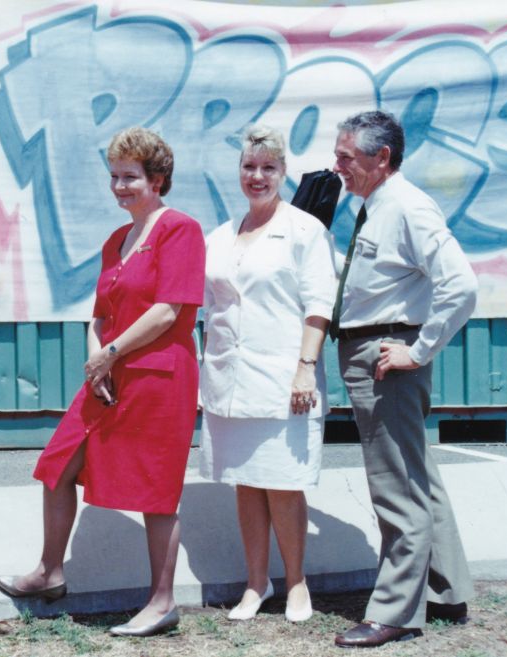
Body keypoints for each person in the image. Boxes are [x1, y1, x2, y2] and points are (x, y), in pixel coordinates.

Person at [0, 127, 205, 637]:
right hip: (109, 375)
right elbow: (98, 315)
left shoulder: (181, 230)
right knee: (57, 463)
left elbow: (168, 311)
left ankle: (162, 601)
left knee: (156, 490)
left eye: (130, 177)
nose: (119, 187)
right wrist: (99, 359)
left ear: (157, 180)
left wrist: (109, 354)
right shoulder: (117, 240)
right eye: (113, 176)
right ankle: (49, 572)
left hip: (159, 377)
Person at [330, 111, 476, 648]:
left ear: (381, 157)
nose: (338, 165)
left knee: (395, 489)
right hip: (379, 349)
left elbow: (460, 286)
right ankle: (446, 590)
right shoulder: (378, 206)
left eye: (346, 156)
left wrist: (418, 350)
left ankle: (395, 611)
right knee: (416, 477)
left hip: (386, 355)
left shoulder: (408, 207)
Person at [199, 124, 336, 624]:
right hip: (228, 380)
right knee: (245, 483)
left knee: (282, 482)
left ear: (283, 171)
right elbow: (209, 307)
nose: (257, 176)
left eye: (268, 168)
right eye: (249, 167)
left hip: (282, 379)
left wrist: (305, 370)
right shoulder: (220, 235)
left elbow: (319, 307)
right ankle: (257, 583)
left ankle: (296, 582)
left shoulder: (303, 230)